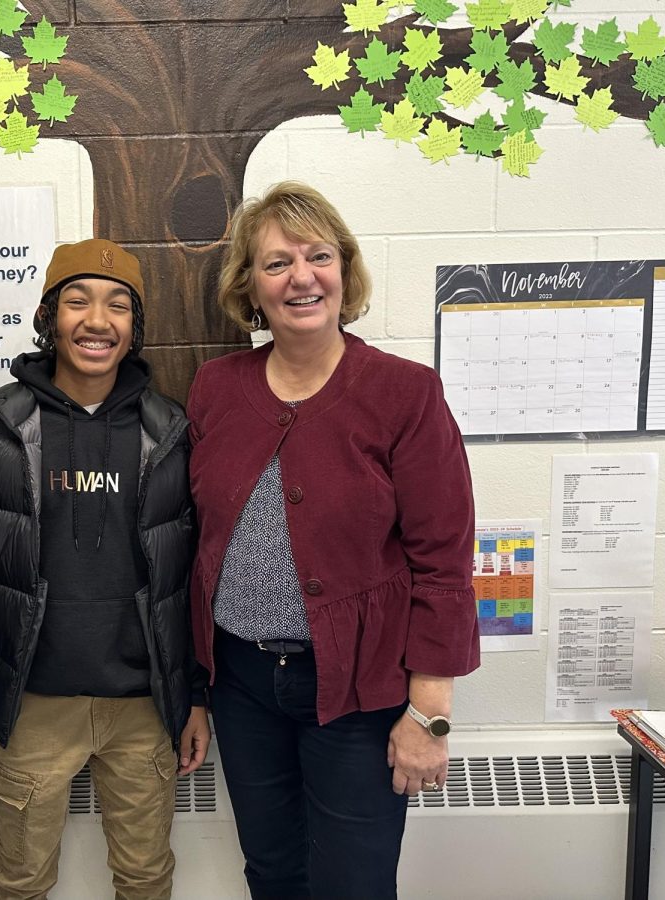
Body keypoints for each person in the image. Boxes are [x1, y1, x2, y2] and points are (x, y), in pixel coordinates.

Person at [187, 182, 480, 899]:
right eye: (276, 262)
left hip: (359, 688)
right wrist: (195, 689)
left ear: (344, 272)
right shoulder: (215, 388)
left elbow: (442, 562)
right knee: (273, 871)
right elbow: (193, 545)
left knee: (354, 880)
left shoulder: (404, 394)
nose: (301, 276)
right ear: (250, 288)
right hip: (243, 684)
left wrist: (428, 713)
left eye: (318, 256)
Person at [0, 239, 210, 900]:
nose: (97, 319)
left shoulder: (171, 431)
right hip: (28, 703)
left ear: (135, 327)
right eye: (78, 300)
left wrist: (197, 697)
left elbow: (193, 579)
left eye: (118, 305)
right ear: (49, 317)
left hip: (143, 707)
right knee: (20, 881)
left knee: (147, 878)